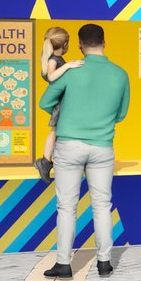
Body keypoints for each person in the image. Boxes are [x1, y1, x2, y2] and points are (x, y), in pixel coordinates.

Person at [37, 23, 130, 280]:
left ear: (79, 44)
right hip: (102, 146)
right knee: (102, 205)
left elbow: (45, 102)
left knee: (67, 207)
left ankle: (64, 264)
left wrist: (71, 109)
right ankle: (104, 263)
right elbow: (121, 114)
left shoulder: (72, 70)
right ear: (104, 42)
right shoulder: (120, 74)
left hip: (69, 145)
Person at [34, 26, 83, 184]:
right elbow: (51, 76)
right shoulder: (54, 60)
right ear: (65, 44)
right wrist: (69, 65)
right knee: (55, 131)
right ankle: (45, 161)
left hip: (64, 101)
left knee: (58, 132)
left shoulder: (53, 59)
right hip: (62, 103)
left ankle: (48, 160)